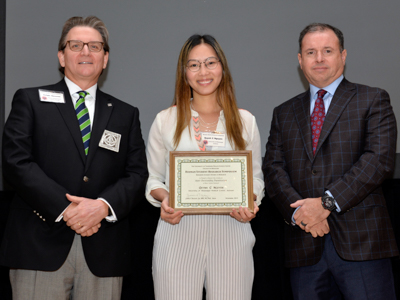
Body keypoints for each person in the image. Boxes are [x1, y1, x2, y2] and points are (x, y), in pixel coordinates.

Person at [0, 16, 148, 299]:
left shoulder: (125, 113)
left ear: (105, 59)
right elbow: (16, 162)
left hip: (104, 250)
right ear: (61, 55)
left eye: (94, 46)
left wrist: (102, 207)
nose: (85, 52)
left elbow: (137, 174)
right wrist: (67, 209)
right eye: (76, 44)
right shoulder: (30, 100)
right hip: (39, 248)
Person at [263, 23, 398, 300]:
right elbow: (273, 169)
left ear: (343, 55)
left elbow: (378, 161)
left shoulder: (373, 99)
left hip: (362, 246)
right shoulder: (283, 112)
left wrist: (325, 203)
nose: (319, 58)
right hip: (304, 246)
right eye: (310, 52)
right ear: (300, 60)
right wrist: (302, 215)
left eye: (327, 50)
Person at [145, 34, 264, 300]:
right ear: (184, 72)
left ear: (222, 67)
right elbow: (153, 179)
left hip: (232, 230)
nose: (203, 72)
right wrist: (166, 200)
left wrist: (251, 201)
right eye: (194, 65)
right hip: (177, 231)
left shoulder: (245, 121)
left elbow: (256, 179)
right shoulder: (166, 120)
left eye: (210, 62)